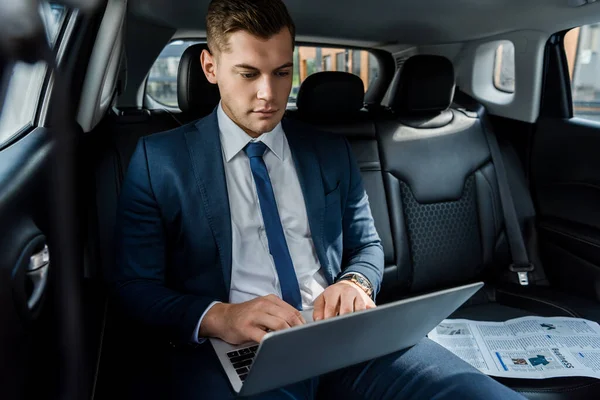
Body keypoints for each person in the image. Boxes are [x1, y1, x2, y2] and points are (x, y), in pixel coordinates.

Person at [114, 0, 527, 398]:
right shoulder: (159, 160)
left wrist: (356, 282)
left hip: (344, 337)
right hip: (234, 349)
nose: (268, 95)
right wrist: (220, 316)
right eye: (247, 73)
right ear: (211, 67)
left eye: (281, 73)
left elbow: (367, 245)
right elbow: (135, 288)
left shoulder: (330, 152)